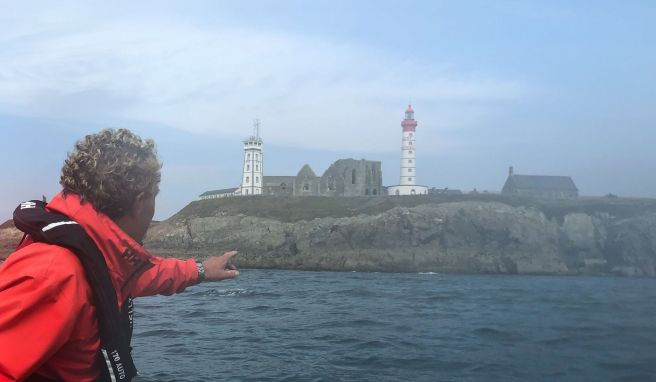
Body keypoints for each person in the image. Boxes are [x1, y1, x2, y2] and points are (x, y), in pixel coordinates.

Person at [0, 128, 239, 382]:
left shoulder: (103, 258)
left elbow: (146, 274)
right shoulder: (53, 274)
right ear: (139, 201)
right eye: (154, 197)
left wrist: (201, 270)